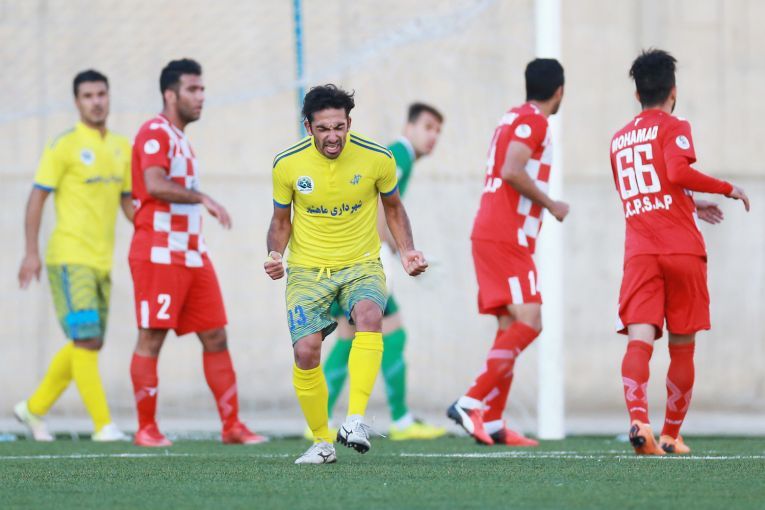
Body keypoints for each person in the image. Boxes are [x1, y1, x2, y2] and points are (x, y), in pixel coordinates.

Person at [265, 84, 428, 464]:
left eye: (339, 127)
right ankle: (322, 442)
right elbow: (280, 220)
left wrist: (408, 250)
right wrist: (274, 254)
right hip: (307, 270)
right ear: (308, 127)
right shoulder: (287, 164)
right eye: (323, 128)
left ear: (349, 124)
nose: (333, 136)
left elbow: (394, 208)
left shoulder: (377, 158)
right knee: (306, 351)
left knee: (370, 315)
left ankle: (355, 420)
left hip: (361, 264)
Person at [611, 49, 749, 455]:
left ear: (637, 94)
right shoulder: (675, 126)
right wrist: (726, 188)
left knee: (639, 340)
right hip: (681, 250)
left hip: (640, 251)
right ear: (673, 90)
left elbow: (646, 190)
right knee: (683, 345)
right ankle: (671, 434)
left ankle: (639, 422)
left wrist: (688, 202)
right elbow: (675, 171)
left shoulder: (619, 140)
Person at [128, 58, 265, 447]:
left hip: (192, 254)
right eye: (192, 89)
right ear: (170, 94)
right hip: (159, 253)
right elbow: (154, 184)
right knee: (151, 337)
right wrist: (203, 198)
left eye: (202, 89)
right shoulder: (154, 131)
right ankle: (146, 429)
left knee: (216, 336)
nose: (201, 96)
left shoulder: (181, 138)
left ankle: (232, 426)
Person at [447, 59, 568, 446]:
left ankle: (495, 421)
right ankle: (471, 402)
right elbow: (512, 170)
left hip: (493, 231)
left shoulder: (511, 117)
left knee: (508, 326)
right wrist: (552, 204)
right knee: (531, 320)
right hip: (506, 235)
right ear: (560, 91)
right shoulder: (535, 121)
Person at [15, 70, 131, 442]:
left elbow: (129, 203)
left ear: (109, 97)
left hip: (101, 261)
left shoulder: (122, 147)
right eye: (88, 96)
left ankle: (33, 409)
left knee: (89, 341)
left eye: (101, 94)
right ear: (77, 102)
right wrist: (30, 252)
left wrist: (156, 232)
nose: (96, 101)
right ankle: (102, 425)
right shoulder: (63, 145)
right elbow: (37, 197)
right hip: (68, 257)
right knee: (86, 339)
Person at [321, 103, 446, 440]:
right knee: (384, 333)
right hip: (362, 260)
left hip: (351, 256)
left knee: (351, 336)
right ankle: (399, 420)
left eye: (438, 131)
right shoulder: (399, 155)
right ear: (409, 127)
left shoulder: (398, 157)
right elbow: (379, 204)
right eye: (428, 127)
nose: (433, 136)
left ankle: (320, 421)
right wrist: (389, 251)